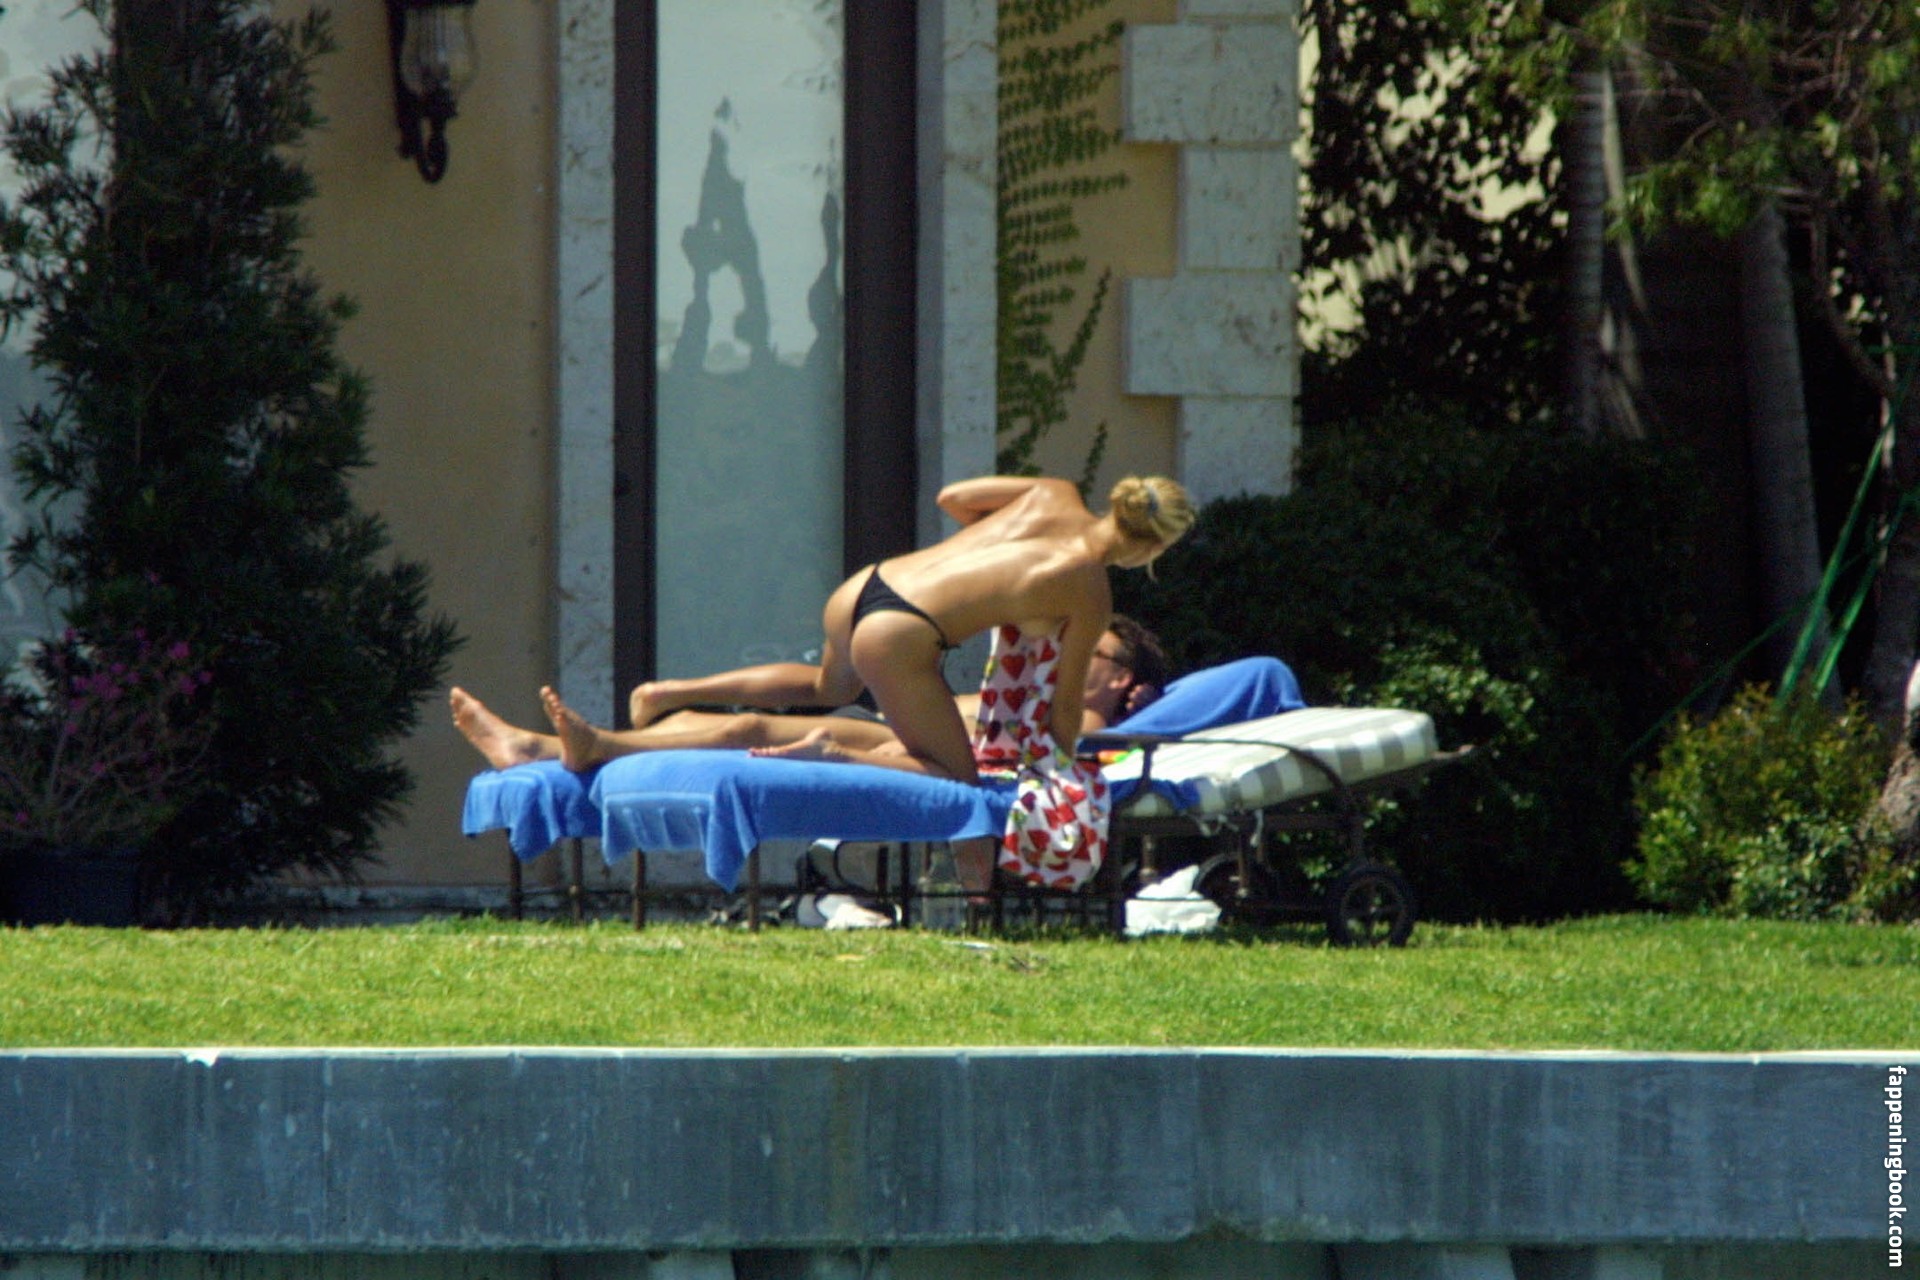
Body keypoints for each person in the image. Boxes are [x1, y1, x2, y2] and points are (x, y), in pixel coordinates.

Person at [450, 613, 1173, 772]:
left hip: (918, 752)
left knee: (745, 731)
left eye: (1094, 650)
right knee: (713, 721)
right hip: (905, 733)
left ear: (1126, 680)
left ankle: (586, 746)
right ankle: (537, 747)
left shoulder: (1090, 722)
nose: (1072, 652)